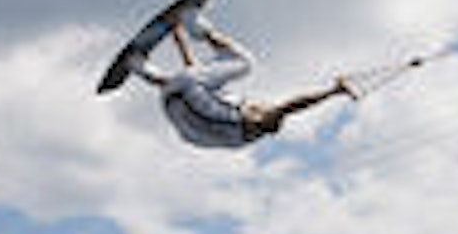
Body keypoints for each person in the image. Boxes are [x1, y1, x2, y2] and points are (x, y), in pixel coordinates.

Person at [128, 9, 357, 148]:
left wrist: (334, 91)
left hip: (187, 94)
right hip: (171, 104)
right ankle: (137, 64)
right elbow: (190, 76)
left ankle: (194, 22)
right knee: (184, 85)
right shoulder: (231, 130)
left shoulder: (255, 124)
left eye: (261, 107)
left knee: (245, 63)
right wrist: (178, 39)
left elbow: (293, 106)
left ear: (264, 121)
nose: (259, 104)